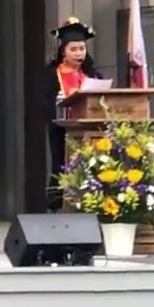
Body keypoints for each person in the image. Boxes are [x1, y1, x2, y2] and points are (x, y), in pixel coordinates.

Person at [45, 17, 103, 209]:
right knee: (61, 165)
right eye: (74, 49)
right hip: (62, 129)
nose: (79, 53)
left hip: (90, 129)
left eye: (82, 49)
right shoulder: (53, 74)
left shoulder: (93, 75)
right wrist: (57, 100)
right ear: (64, 51)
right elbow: (43, 102)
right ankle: (58, 205)